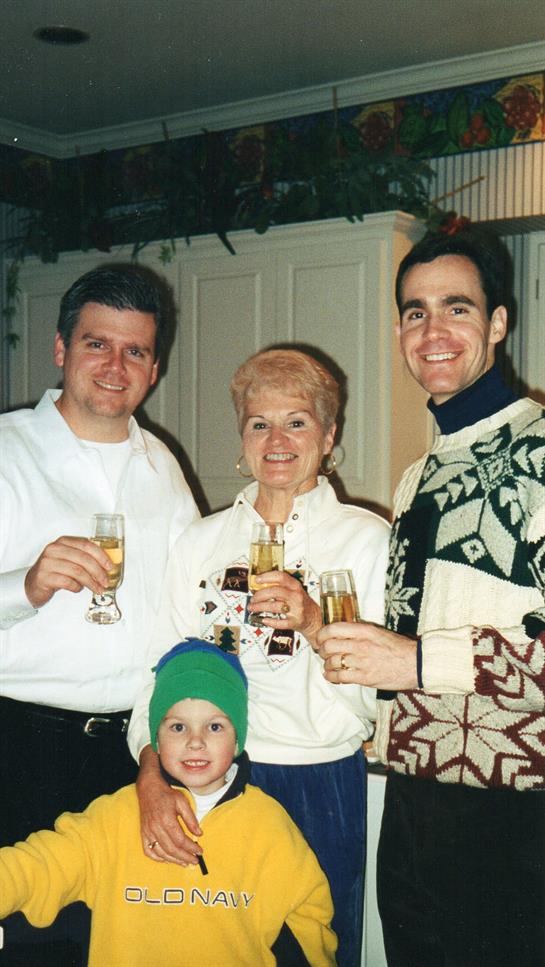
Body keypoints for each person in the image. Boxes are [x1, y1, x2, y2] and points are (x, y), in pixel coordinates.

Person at [317, 229, 545, 967]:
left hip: (516, 808)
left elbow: (422, 657)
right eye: (415, 312)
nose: (433, 331)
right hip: (414, 803)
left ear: (498, 322)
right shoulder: (416, 477)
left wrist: (413, 660)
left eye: (456, 308)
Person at [128, 347, 390, 967]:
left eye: (297, 421)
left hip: (319, 780)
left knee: (313, 952)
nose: (277, 440)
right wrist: (147, 772)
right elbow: (158, 673)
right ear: (241, 441)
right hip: (210, 780)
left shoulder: (366, 538)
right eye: (259, 424)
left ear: (328, 436)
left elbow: (381, 692)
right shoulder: (200, 542)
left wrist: (313, 622)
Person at [0, 266, 200, 964]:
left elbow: (181, 632)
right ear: (60, 349)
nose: (115, 366)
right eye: (96, 344)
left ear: (154, 366)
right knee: (31, 945)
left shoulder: (163, 467)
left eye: (135, 350)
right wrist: (23, 584)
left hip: (131, 754)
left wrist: (155, 761)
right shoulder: (6, 450)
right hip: (20, 748)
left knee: (124, 948)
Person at [0, 638, 337, 966]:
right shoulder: (113, 815)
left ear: (238, 739)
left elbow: (306, 921)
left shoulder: (269, 824)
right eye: (177, 726)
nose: (195, 741)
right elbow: (38, 867)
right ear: (155, 738)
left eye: (215, 726)